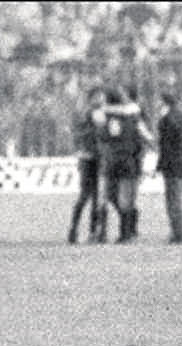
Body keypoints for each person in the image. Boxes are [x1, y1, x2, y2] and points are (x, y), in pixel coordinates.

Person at [98, 88, 147, 244]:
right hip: (128, 162)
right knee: (124, 198)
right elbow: (141, 138)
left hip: (113, 162)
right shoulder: (133, 116)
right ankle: (127, 230)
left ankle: (114, 232)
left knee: (110, 196)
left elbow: (104, 138)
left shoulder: (107, 118)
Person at [67, 87, 105, 245]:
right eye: (99, 97)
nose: (102, 100)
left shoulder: (82, 113)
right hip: (94, 158)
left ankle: (74, 229)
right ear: (93, 98)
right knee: (94, 196)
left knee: (86, 196)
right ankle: (93, 231)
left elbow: (76, 134)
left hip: (85, 156)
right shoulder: (95, 113)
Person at [156, 91, 182, 244]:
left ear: (164, 103)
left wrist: (160, 164)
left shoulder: (167, 120)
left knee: (173, 201)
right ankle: (179, 233)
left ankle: (180, 234)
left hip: (172, 165)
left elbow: (165, 145)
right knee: (176, 200)